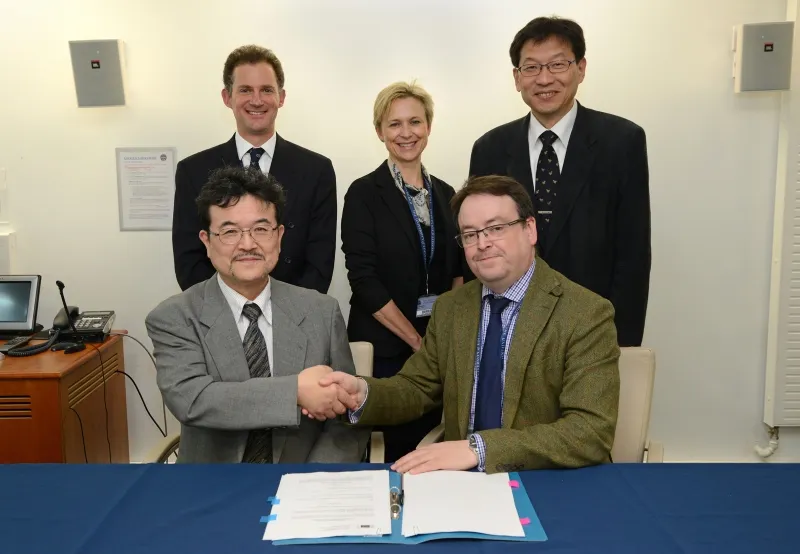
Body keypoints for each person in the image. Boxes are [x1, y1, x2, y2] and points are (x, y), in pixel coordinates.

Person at [318, 175, 620, 474]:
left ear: (530, 230)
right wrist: (361, 393)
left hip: (549, 483)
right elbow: (417, 388)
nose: (482, 243)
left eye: (496, 228)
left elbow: (589, 431)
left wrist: (479, 449)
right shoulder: (451, 308)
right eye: (470, 234)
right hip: (464, 487)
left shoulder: (585, 313)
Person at [147, 166, 366, 463]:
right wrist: (295, 392)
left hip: (302, 487)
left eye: (261, 229)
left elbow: (347, 419)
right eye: (229, 231)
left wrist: (311, 481)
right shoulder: (174, 317)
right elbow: (194, 400)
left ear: (279, 236)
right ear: (206, 241)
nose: (248, 244)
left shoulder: (322, 312)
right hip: (211, 487)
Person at [468, 16, 651, 347]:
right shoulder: (490, 149)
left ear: (580, 69)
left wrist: (622, 344)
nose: (545, 78)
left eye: (557, 65)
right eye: (532, 68)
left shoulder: (622, 142)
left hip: (592, 331)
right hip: (509, 330)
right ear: (517, 78)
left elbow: (633, 255)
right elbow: (479, 246)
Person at [340, 81, 463, 462]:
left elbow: (458, 274)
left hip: (435, 347)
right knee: (387, 452)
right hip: (386, 350)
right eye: (394, 124)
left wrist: (444, 337)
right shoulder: (363, 194)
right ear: (379, 131)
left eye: (415, 122)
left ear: (429, 127)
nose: (406, 133)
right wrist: (416, 341)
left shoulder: (447, 194)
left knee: (428, 447)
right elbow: (363, 279)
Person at [172, 45, 336, 295]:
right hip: (220, 320)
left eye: (266, 90)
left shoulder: (316, 170)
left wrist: (285, 315)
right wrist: (236, 313)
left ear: (281, 97)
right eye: (245, 90)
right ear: (227, 97)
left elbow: (320, 263)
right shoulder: (193, 171)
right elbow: (189, 263)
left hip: (295, 316)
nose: (257, 100)